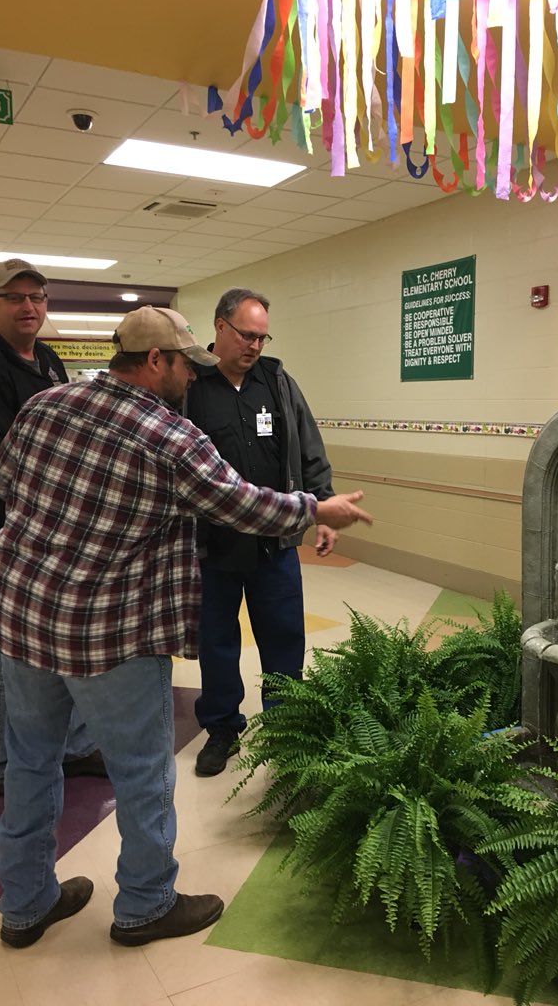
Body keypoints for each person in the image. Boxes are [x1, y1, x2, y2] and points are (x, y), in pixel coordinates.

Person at [0, 304, 371, 948]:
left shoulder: (47, 405)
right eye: (184, 364)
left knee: (30, 762)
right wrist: (316, 507)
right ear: (156, 361)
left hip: (22, 620)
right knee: (142, 772)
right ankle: (145, 904)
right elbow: (240, 503)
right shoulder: (166, 434)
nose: (191, 376)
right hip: (109, 633)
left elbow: (2, 480)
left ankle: (25, 905)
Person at [0, 257, 104, 796]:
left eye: (37, 297)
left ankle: (76, 746)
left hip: (44, 526)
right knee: (10, 645)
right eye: (16, 297)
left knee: (56, 632)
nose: (29, 306)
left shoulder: (46, 357)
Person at [186, 288, 337, 777]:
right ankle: (223, 727)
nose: (254, 345)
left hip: (274, 544)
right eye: (246, 335)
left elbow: (308, 447)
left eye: (261, 336)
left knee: (284, 636)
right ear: (219, 328)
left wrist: (323, 510)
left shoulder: (276, 382)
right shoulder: (191, 384)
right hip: (212, 546)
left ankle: (285, 724)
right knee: (217, 641)